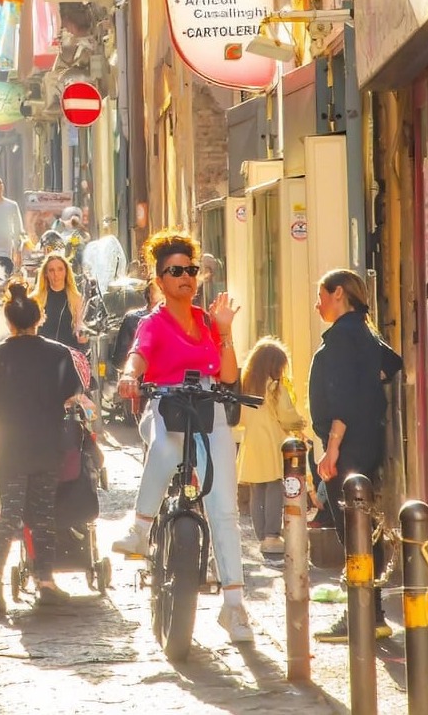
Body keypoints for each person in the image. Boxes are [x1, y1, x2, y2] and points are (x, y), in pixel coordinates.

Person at [110, 229, 250, 641]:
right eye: (176, 271)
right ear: (160, 280)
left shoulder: (208, 321)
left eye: (191, 270)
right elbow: (138, 355)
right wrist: (129, 377)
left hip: (208, 407)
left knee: (224, 509)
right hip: (165, 404)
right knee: (165, 445)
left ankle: (234, 607)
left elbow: (228, 375)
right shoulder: (152, 323)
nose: (186, 277)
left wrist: (225, 331)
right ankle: (140, 528)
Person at [0, 282, 87, 614]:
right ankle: (45, 583)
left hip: (9, 447)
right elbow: (72, 396)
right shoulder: (58, 354)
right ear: (40, 319)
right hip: (46, 444)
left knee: (9, 514)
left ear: (8, 321)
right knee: (42, 516)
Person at [309, 267, 403, 643]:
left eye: (321, 296)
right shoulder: (363, 333)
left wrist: (332, 448)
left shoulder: (344, 336)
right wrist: (370, 381)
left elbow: (343, 397)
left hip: (348, 447)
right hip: (364, 442)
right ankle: (371, 613)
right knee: (363, 530)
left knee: (354, 533)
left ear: (338, 294)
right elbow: (392, 364)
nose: (317, 304)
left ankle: (362, 615)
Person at [235, 337, 305, 557]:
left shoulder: (245, 387)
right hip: (273, 443)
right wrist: (300, 424)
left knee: (257, 491)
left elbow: (240, 418)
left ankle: (262, 535)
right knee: (275, 487)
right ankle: (272, 535)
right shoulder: (275, 387)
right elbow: (287, 415)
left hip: (251, 443)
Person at [32, 253, 87, 352]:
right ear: (45, 274)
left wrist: (82, 334)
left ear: (66, 272)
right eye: (51, 270)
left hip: (68, 352)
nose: (56, 274)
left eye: (60, 269)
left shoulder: (76, 298)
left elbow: (79, 324)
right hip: (41, 352)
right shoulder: (36, 298)